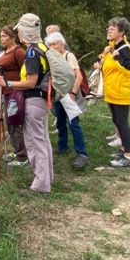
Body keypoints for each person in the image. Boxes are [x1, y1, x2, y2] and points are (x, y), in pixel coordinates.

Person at [0, 13, 53, 194]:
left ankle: (41, 185)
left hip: (33, 99)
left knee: (35, 142)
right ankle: (47, 177)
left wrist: (8, 83)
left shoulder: (31, 52)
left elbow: (30, 81)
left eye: (19, 30)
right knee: (43, 139)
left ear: (24, 32)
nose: (18, 34)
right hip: (43, 99)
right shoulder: (43, 47)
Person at [96, 17, 130, 168]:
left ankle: (129, 156)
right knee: (116, 120)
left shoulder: (125, 48)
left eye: (113, 29)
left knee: (122, 122)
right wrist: (101, 57)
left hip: (121, 92)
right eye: (109, 28)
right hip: (112, 91)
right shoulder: (113, 46)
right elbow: (105, 63)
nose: (109, 30)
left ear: (122, 32)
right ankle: (123, 149)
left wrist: (118, 58)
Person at [45, 31, 89, 169]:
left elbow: (78, 76)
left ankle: (81, 154)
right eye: (50, 44)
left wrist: (73, 93)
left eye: (54, 44)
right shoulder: (53, 57)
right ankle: (62, 146)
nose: (52, 47)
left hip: (70, 95)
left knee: (74, 124)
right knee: (60, 122)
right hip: (59, 95)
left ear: (61, 44)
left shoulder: (68, 56)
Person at [0, 24, 28, 167]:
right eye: (1, 36)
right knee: (10, 122)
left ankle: (23, 156)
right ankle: (17, 150)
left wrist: (13, 84)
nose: (1, 39)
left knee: (15, 123)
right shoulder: (6, 52)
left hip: (15, 92)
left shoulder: (19, 52)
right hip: (6, 92)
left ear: (13, 37)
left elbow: (26, 72)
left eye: (4, 36)